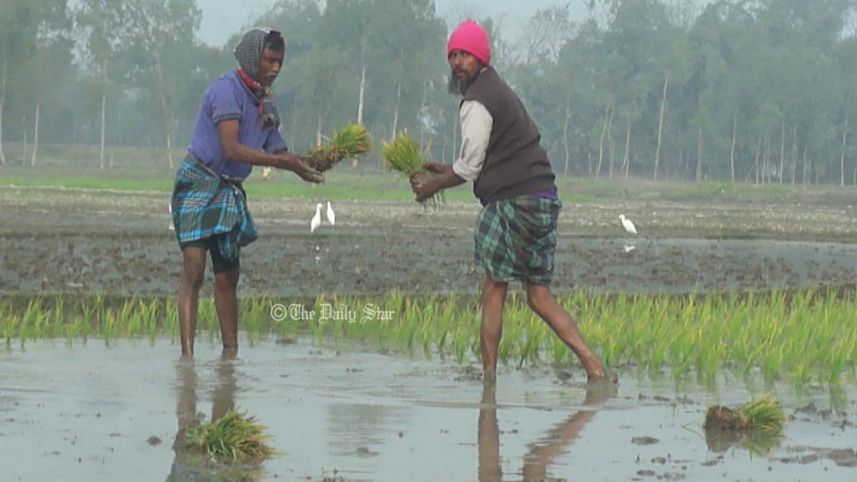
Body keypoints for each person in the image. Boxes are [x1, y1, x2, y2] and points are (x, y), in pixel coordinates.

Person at [410, 20, 615, 383]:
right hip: (543, 199)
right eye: (453, 55)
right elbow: (488, 158)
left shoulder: (477, 100)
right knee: (538, 295)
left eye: (465, 55)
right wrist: (440, 169)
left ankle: (488, 379)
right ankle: (595, 368)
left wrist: (431, 187)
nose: (457, 62)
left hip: (514, 203)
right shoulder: (498, 91)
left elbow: (470, 168)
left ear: (481, 58)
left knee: (494, 287)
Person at [171, 27, 323, 357]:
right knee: (194, 267)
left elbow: (277, 148)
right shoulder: (226, 92)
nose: (276, 68)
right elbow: (231, 149)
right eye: (270, 60)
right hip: (199, 180)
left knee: (227, 276)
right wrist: (285, 164)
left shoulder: (266, 101)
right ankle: (187, 360)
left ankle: (230, 357)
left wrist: (314, 161)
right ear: (254, 58)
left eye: (280, 61)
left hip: (228, 189)